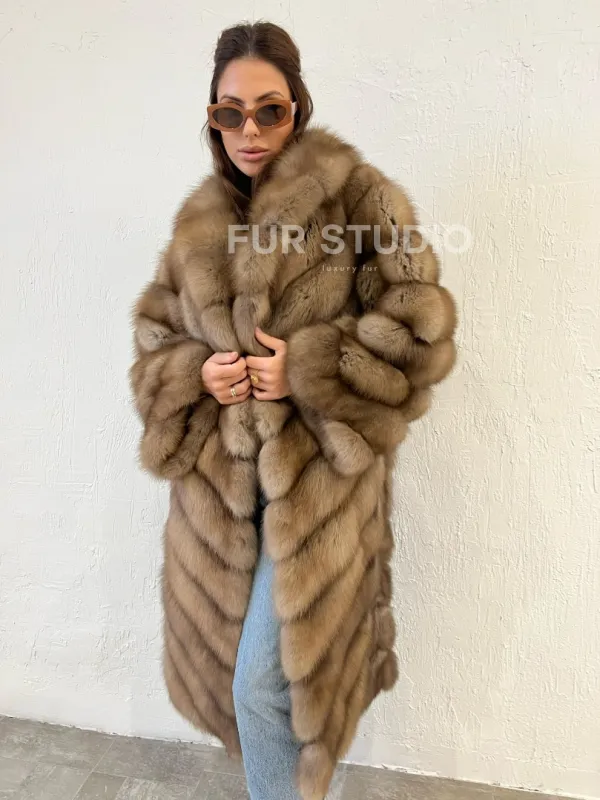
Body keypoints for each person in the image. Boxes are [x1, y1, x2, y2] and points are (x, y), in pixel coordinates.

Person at [129, 20, 457, 800]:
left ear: (298, 107)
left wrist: (309, 368)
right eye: (229, 112)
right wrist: (196, 373)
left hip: (318, 494)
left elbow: (420, 329)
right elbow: (151, 343)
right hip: (223, 501)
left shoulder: (358, 198)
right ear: (213, 118)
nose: (249, 130)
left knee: (265, 685)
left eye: (268, 110)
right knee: (262, 701)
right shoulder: (198, 225)